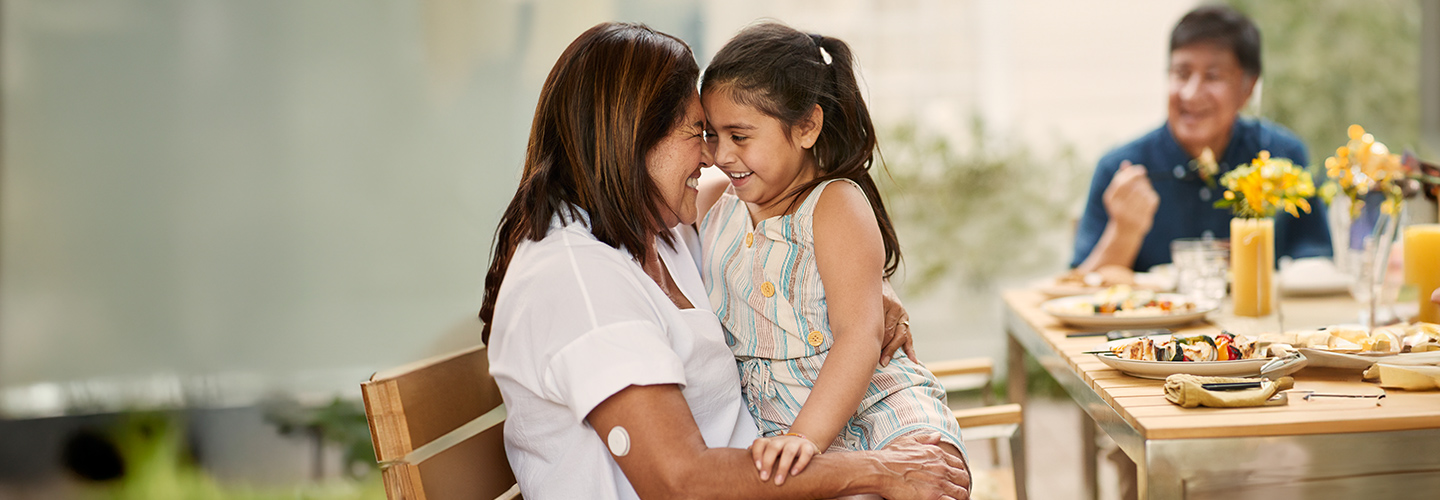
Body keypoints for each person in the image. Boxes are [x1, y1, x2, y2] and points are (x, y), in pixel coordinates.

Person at [479, 22, 970, 499]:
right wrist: (875, 471)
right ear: (633, 138)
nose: (712, 158)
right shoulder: (579, 280)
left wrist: (865, 289)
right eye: (701, 133)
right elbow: (680, 482)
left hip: (808, 452)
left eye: (732, 136)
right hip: (790, 466)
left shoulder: (663, 232)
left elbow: (786, 232)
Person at [695, 22, 964, 488]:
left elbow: (859, 335)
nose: (721, 155)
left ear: (806, 127)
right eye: (711, 135)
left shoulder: (835, 206)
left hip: (870, 408)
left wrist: (805, 436)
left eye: (740, 137)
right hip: (776, 422)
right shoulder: (713, 202)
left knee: (928, 471)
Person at [1071, 5, 1331, 274]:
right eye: (1181, 74)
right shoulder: (1122, 169)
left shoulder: (1281, 156)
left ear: (1248, 88)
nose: (1191, 93)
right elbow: (1076, 291)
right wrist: (1124, 231)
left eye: (1212, 76)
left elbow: (1315, 262)